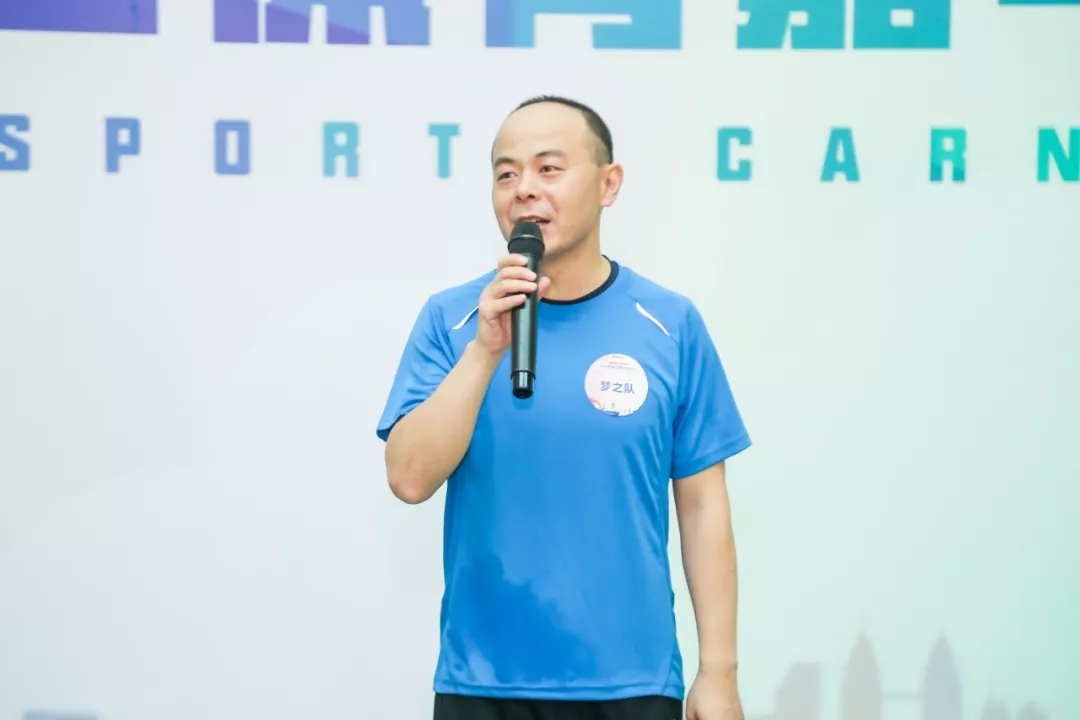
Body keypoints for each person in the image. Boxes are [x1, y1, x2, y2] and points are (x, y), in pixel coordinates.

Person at [376, 95, 752, 720]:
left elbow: (703, 505)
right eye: (506, 173)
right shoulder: (453, 320)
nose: (524, 188)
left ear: (609, 184)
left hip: (632, 684)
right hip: (483, 684)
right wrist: (484, 352)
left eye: (549, 168)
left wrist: (719, 672)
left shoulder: (670, 323)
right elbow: (408, 478)